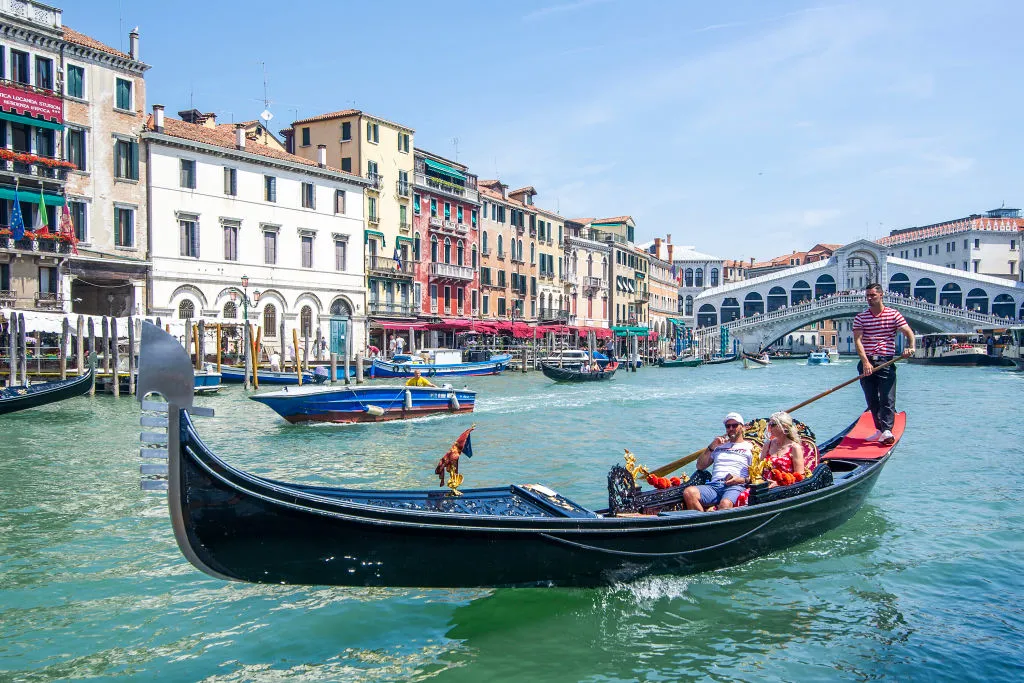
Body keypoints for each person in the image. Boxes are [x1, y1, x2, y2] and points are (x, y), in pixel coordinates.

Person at [853, 283, 915, 446]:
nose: (869, 299)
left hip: (886, 360)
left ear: (881, 295)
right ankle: (880, 430)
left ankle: (887, 429)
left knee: (887, 397)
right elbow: (858, 341)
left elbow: (908, 333)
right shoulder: (861, 317)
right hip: (867, 361)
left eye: (872, 295)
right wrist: (865, 362)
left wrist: (911, 347)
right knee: (872, 399)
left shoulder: (893, 315)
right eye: (867, 296)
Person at [683, 412, 753, 512]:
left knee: (725, 504)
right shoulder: (718, 447)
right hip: (714, 486)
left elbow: (758, 475)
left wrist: (741, 480)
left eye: (734, 425)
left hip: (734, 486)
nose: (731, 428)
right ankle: (703, 522)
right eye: (728, 426)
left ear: (742, 427)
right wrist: (712, 446)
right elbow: (700, 466)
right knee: (689, 492)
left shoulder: (750, 447)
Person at [763, 411, 805, 486]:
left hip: (784, 488)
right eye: (769, 425)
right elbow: (760, 469)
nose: (769, 428)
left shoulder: (794, 448)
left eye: (773, 425)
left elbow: (800, 476)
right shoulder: (768, 445)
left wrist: (778, 484)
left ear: (784, 426)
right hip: (764, 486)